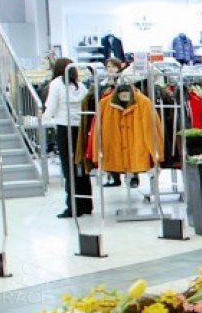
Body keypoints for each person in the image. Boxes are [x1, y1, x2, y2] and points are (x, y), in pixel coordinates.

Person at [42, 58, 93, 218]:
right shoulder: (80, 85)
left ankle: (73, 207)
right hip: (80, 128)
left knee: (69, 168)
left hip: (65, 128)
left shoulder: (56, 84)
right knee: (81, 167)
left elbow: (51, 106)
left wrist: (44, 119)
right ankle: (86, 204)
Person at [102, 58, 138, 189]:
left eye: (113, 66)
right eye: (108, 67)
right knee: (113, 147)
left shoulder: (125, 80)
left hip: (127, 118)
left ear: (119, 67)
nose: (110, 69)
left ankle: (133, 175)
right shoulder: (103, 83)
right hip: (112, 119)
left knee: (130, 146)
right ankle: (114, 176)